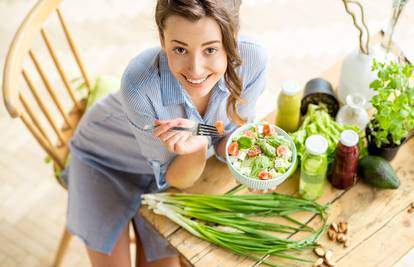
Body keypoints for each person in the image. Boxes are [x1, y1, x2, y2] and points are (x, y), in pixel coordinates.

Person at [64, 0, 268, 266]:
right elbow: (175, 177)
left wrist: (253, 163)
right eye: (180, 48)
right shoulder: (139, 86)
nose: (195, 70)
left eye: (211, 49)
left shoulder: (252, 61)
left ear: (233, 38)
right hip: (106, 162)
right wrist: (199, 146)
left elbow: (226, 135)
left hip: (170, 173)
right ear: (162, 39)